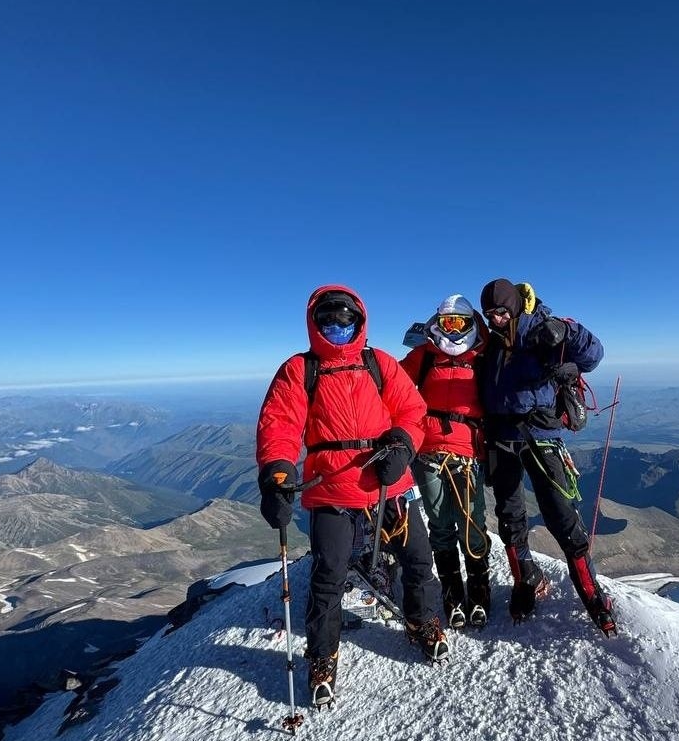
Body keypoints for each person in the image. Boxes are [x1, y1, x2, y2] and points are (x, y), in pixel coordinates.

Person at [256, 284, 449, 709]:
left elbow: (411, 411)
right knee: (328, 575)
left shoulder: (379, 363)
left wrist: (402, 445)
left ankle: (421, 621)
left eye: (346, 319)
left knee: (418, 557)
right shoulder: (300, 370)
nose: (337, 326)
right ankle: (322, 657)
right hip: (331, 489)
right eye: (328, 320)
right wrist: (278, 473)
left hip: (387, 483)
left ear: (359, 321)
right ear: (315, 323)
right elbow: (280, 426)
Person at [478, 277, 616, 636]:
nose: (495, 319)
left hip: (540, 436)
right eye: (489, 314)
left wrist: (567, 331)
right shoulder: (491, 341)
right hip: (501, 438)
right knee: (509, 517)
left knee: (562, 517)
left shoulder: (542, 329)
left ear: (513, 306)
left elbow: (594, 355)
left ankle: (592, 594)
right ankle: (526, 581)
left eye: (501, 312)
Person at [400, 294, 491, 630]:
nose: (452, 330)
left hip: (468, 452)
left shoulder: (482, 357)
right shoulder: (424, 356)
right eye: (446, 322)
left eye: (459, 323)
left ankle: (479, 592)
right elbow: (392, 384)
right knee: (440, 525)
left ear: (470, 324)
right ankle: (453, 594)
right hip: (428, 453)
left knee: (472, 523)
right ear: (437, 322)